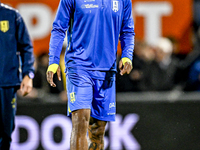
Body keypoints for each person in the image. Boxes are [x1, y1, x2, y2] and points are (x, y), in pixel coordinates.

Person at [46, 0, 135, 149]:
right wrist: (53, 61)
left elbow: (127, 30)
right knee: (80, 119)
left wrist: (127, 55)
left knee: (98, 131)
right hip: (78, 66)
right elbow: (59, 28)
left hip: (107, 70)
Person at [0, 2, 35, 149]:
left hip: (6, 83)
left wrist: (28, 74)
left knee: (5, 133)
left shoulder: (12, 16)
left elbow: (26, 47)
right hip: (7, 81)